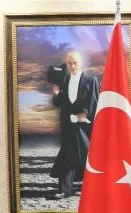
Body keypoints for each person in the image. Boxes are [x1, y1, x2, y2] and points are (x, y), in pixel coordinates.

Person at [49, 51, 100, 198]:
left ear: (81, 63)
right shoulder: (64, 80)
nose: (72, 66)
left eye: (75, 63)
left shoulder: (91, 80)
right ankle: (64, 190)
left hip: (84, 126)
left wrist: (82, 115)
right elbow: (59, 103)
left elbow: (94, 101)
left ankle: (91, 188)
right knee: (67, 155)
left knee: (88, 157)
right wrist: (56, 93)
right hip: (68, 125)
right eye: (69, 63)